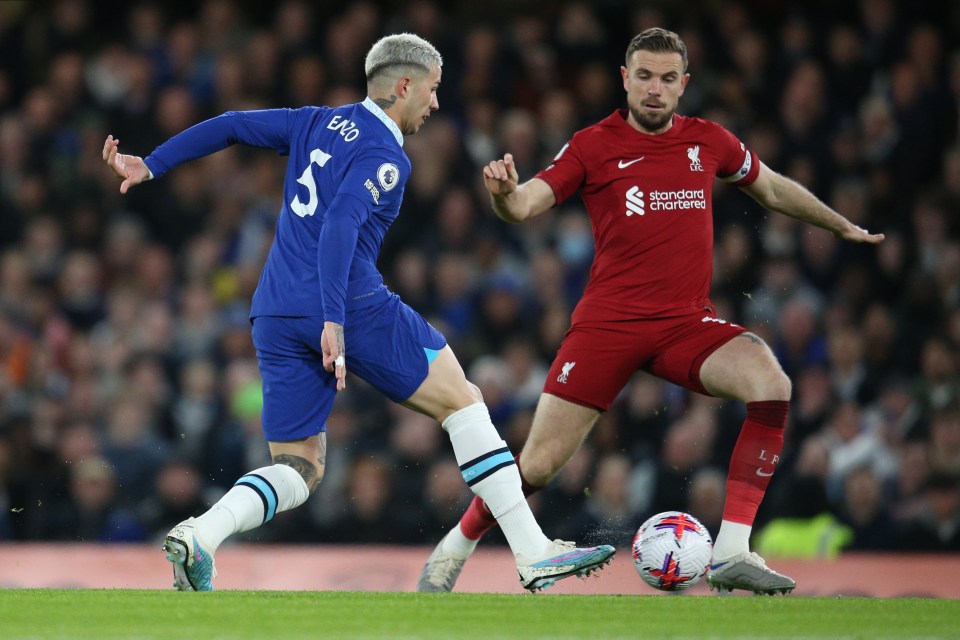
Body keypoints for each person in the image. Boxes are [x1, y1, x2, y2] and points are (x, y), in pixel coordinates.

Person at [102, 32, 614, 592]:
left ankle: (202, 534)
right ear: (403, 86)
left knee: (299, 467)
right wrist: (333, 319)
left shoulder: (315, 120)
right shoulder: (385, 155)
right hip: (348, 303)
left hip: (273, 309)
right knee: (463, 401)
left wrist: (152, 164)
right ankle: (534, 551)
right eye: (432, 90)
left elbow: (228, 124)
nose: (436, 104)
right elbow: (342, 224)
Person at [417, 27, 884, 595]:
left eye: (667, 79)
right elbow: (527, 203)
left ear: (684, 85)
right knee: (536, 469)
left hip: (686, 323)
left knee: (772, 383)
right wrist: (502, 194)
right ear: (625, 79)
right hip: (607, 327)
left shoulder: (709, 141)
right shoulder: (593, 144)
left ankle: (733, 550)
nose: (655, 89)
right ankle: (455, 546)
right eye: (644, 77)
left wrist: (837, 223)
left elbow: (773, 190)